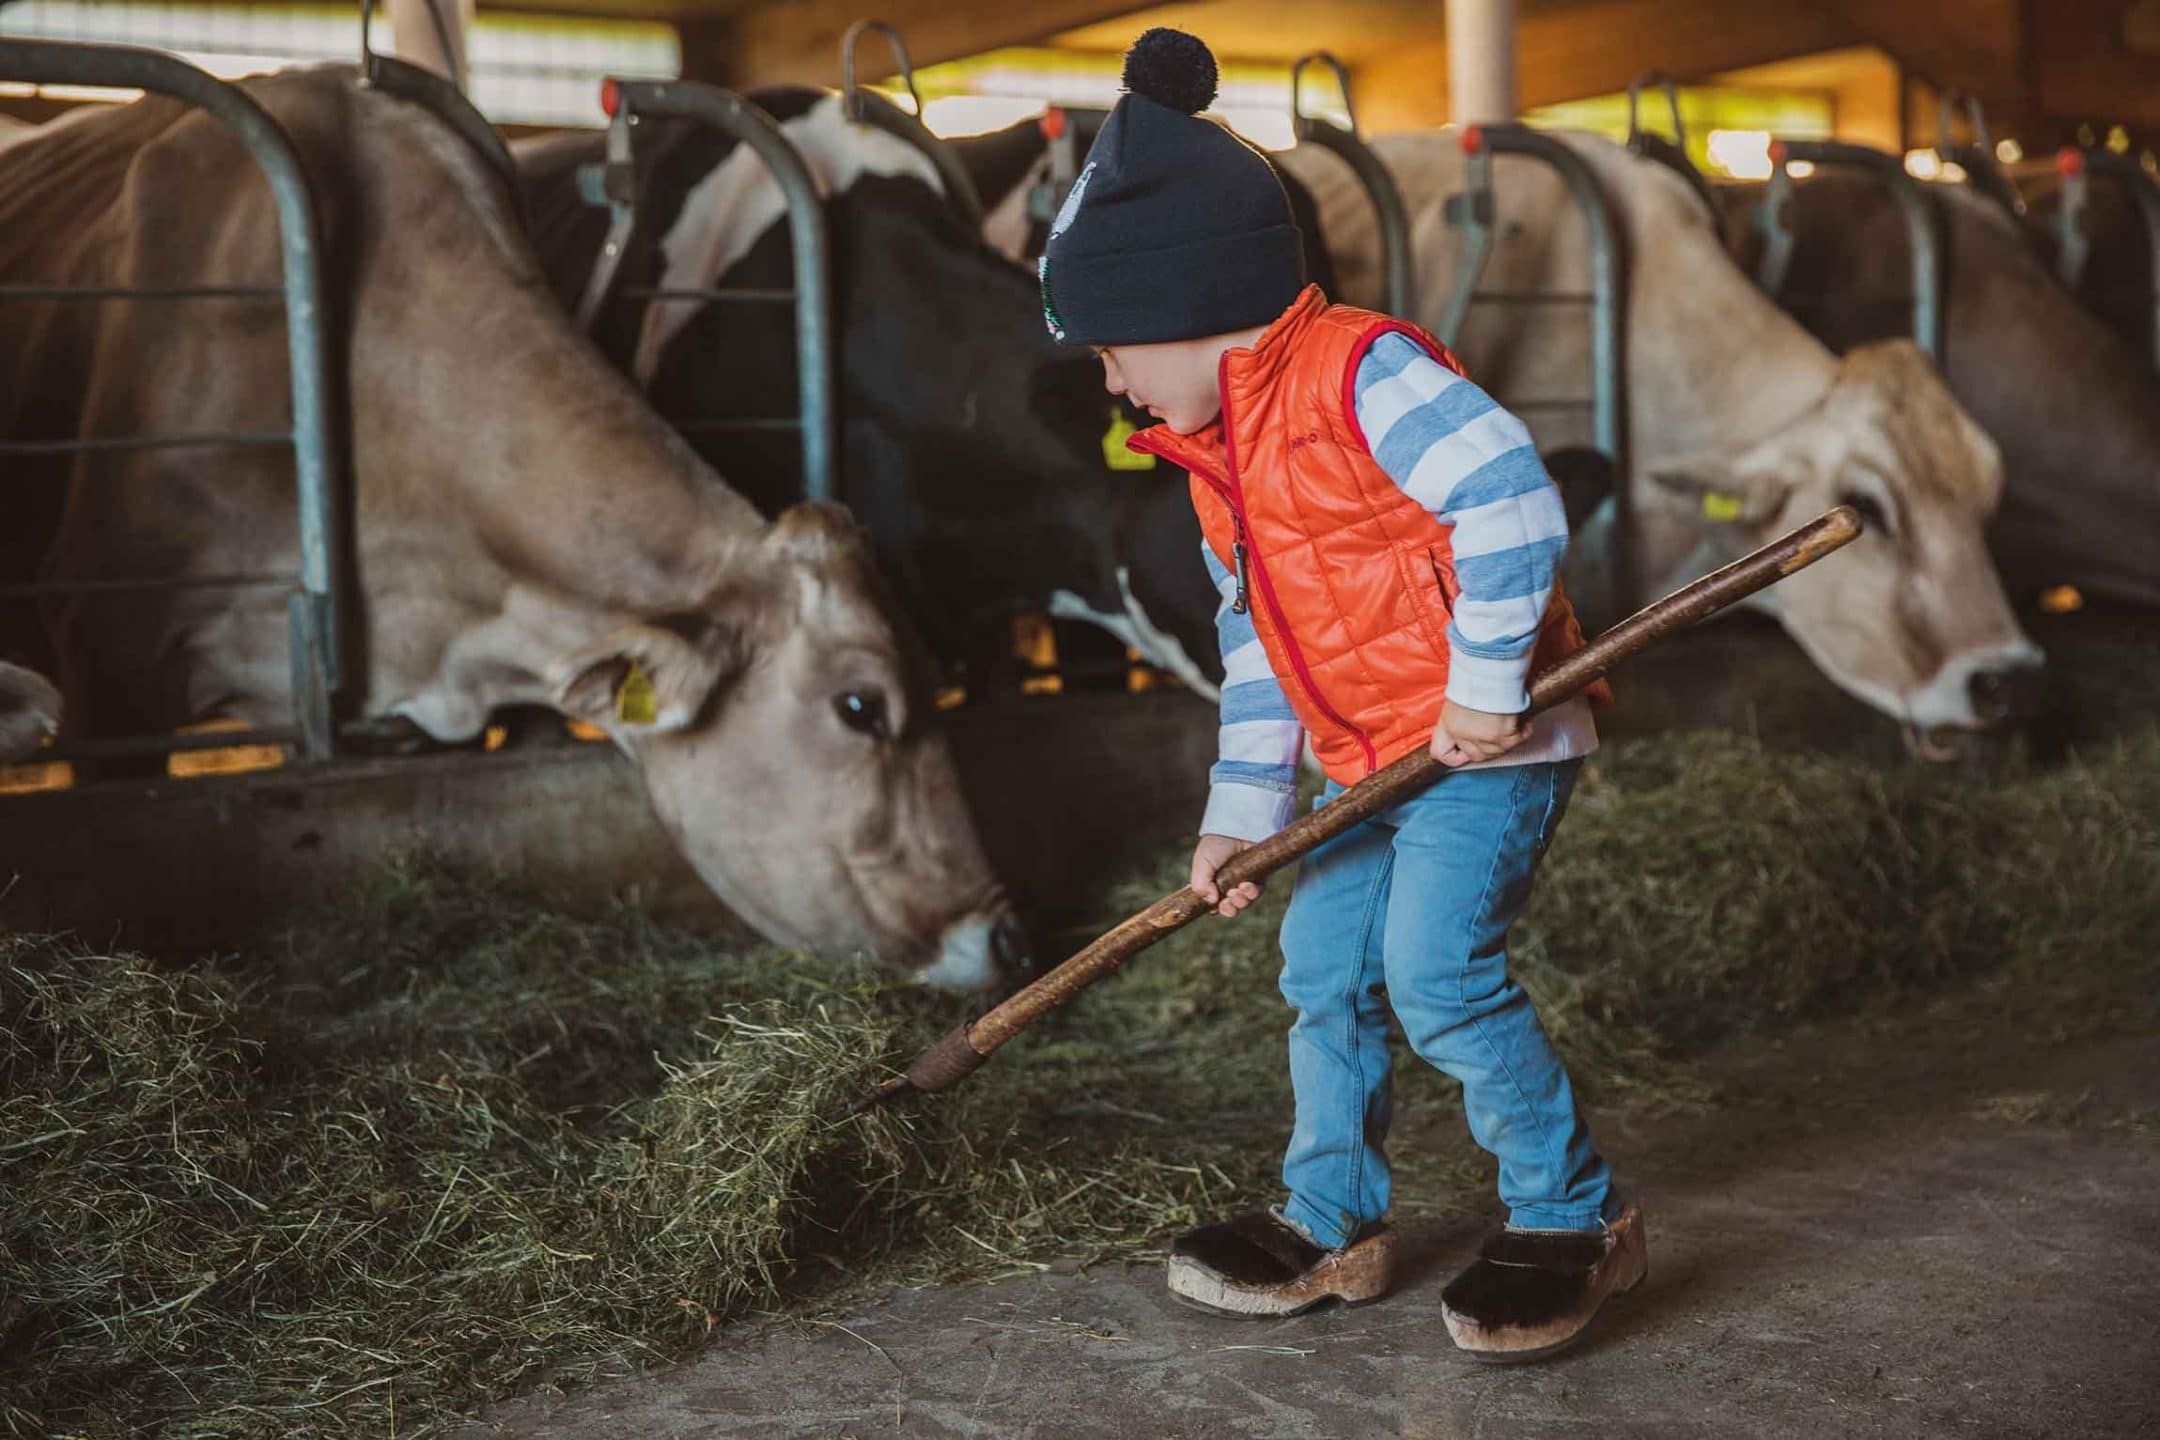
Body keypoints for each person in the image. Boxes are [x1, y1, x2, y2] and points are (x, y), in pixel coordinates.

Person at [1038, 27, 1646, 1362]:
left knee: (1436, 975)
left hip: (1486, 749)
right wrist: (1242, 811)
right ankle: (1333, 1221)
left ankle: (1571, 1219)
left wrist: (1488, 686)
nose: (1107, 378)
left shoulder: (1363, 374)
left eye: (1107, 346)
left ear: (1176, 303)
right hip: (1358, 758)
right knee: (1321, 970)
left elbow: (1509, 500)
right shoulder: (1218, 464)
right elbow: (1258, 639)